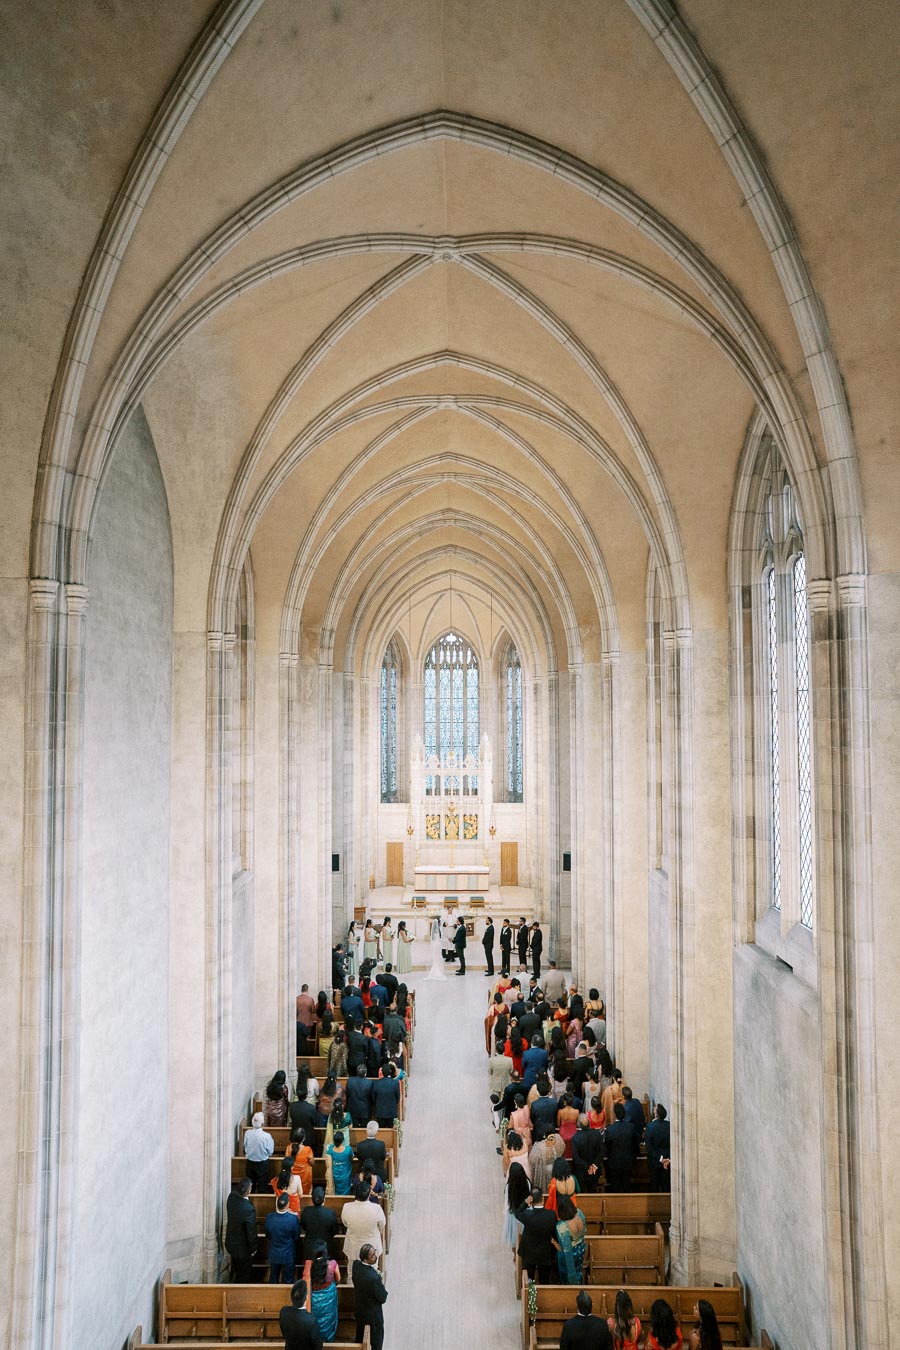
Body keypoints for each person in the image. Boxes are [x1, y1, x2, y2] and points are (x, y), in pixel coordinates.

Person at [516, 1186, 557, 1283]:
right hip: (545, 1252)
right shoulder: (551, 1215)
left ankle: (531, 1297)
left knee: (530, 1279)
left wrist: (525, 1203)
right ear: (543, 1199)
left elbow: (517, 1213)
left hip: (530, 1253)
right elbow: (554, 1233)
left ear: (531, 1200)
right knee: (544, 1279)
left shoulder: (527, 1215)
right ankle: (543, 1295)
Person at [342, 1183, 386, 1272]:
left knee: (352, 1273)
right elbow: (382, 1224)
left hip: (353, 1246)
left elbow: (345, 1223)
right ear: (369, 1194)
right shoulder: (376, 1208)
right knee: (372, 1272)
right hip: (372, 1246)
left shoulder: (347, 1207)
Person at [352, 1243, 388, 1350]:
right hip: (372, 1314)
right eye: (372, 1255)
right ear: (366, 1259)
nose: (376, 1256)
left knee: (360, 1334)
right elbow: (383, 1297)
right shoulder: (373, 1279)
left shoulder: (356, 1265)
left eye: (375, 1252)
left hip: (360, 1309)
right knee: (376, 1339)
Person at [307, 1239, 341, 1342]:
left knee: (315, 1319)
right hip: (329, 1296)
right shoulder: (333, 1265)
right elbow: (338, 1279)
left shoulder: (310, 1265)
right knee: (329, 1319)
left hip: (314, 1298)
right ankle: (328, 1341)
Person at [225, 1177, 257, 1281]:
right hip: (243, 1249)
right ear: (249, 1190)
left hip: (231, 1242)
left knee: (237, 1267)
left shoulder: (231, 1197)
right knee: (243, 1274)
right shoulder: (248, 1209)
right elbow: (250, 1231)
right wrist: (253, 1248)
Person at [265, 1193, 301, 1284]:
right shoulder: (293, 1219)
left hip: (274, 1253)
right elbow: (296, 1236)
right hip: (288, 1254)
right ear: (287, 1205)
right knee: (288, 1280)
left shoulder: (269, 1218)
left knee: (273, 1279)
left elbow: (267, 1235)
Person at [278, 1277, 324, 1350]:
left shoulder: (283, 1312)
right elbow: (318, 1346)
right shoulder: (311, 1321)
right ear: (306, 1297)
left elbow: (284, 1334)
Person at [605, 1102, 640, 1192]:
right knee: (627, 1186)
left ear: (614, 1114)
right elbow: (635, 1144)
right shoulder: (631, 1127)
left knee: (615, 1187)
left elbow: (607, 1147)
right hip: (628, 1162)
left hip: (614, 1162)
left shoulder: (610, 1130)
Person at [552, 1192, 586, 1283]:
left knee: (570, 1276)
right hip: (581, 1249)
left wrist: (553, 1242)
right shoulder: (580, 1213)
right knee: (579, 1271)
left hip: (572, 1254)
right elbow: (584, 1231)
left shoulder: (562, 1226)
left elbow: (564, 1250)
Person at [299, 1185, 339, 1259]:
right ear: (324, 1199)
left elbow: (303, 1226)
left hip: (310, 1247)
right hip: (325, 1246)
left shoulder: (306, 1211)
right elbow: (334, 1230)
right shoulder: (330, 1213)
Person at [571, 1112, 606, 1192]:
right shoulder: (597, 1134)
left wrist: (588, 1167)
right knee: (593, 1191)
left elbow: (576, 1158)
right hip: (594, 1171)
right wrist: (593, 1166)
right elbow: (601, 1152)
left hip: (581, 1172)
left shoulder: (576, 1138)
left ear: (578, 1124)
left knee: (583, 1194)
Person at [504, 1159, 531, 1252]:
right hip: (525, 1214)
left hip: (513, 1215)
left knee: (514, 1238)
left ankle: (516, 1256)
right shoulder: (527, 1182)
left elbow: (507, 1203)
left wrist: (505, 1214)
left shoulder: (509, 1187)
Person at [244, 1111, 275, 1192]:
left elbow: (245, 1146)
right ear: (262, 1124)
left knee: (250, 1188)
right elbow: (270, 1152)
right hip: (262, 1164)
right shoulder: (266, 1136)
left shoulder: (247, 1133)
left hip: (250, 1163)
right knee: (263, 1187)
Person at [645, 1103, 671, 1192]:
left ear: (656, 1114)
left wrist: (661, 1158)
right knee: (666, 1185)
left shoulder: (650, 1127)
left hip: (654, 1161)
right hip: (668, 1161)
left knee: (654, 1185)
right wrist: (667, 1159)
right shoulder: (669, 1126)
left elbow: (649, 1147)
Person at [530, 1075, 560, 1141]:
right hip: (551, 1130)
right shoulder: (554, 1103)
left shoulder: (534, 1105)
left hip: (538, 1131)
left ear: (537, 1090)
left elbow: (532, 1118)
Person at [371, 1062, 401, 1128]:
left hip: (380, 1111)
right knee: (391, 1130)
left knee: (381, 1130)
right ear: (390, 1071)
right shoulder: (395, 1083)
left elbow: (373, 1097)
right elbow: (398, 1097)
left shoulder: (376, 1083)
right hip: (391, 1111)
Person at [326, 1129, 354, 1194]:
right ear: (343, 1140)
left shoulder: (330, 1150)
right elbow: (352, 1158)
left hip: (335, 1173)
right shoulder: (348, 1149)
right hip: (345, 1173)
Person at [296, 984, 317, 1050]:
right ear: (307, 990)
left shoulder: (297, 999)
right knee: (307, 1040)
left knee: (299, 1039)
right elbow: (313, 1010)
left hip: (299, 1022)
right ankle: (306, 1053)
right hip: (308, 1022)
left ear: (301, 990)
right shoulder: (310, 1000)